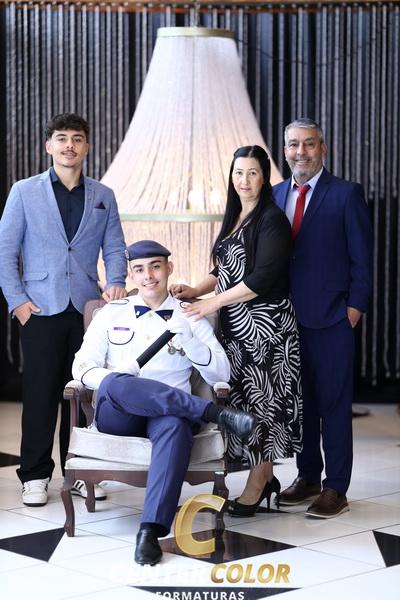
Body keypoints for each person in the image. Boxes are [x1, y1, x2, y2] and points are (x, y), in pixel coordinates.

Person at [72, 239, 256, 565]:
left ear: (169, 268)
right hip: (119, 414)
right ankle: (212, 412)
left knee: (175, 426)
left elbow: (221, 374)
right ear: (131, 274)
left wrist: (189, 341)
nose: (148, 276)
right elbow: (82, 367)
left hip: (169, 415)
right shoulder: (111, 313)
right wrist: (116, 380)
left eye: (155, 267)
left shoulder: (192, 316)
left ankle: (149, 530)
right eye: (140, 269)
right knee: (115, 382)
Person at [0, 113, 127, 507]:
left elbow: (115, 247)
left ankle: (80, 471)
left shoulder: (103, 195)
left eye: (76, 138)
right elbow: (5, 251)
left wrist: (116, 282)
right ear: (49, 145)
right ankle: (35, 476)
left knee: (84, 397)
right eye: (61, 138)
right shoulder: (24, 192)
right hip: (39, 310)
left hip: (88, 312)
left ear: (86, 146)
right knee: (40, 396)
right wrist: (18, 303)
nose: (69, 145)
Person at [170, 145, 302, 517]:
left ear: (265, 178)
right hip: (238, 330)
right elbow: (224, 267)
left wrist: (211, 303)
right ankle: (264, 478)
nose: (244, 180)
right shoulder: (236, 215)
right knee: (245, 404)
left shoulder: (272, 220)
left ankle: (258, 484)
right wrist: (195, 289)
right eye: (238, 173)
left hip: (267, 330)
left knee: (264, 406)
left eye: (253, 173)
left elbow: (261, 279)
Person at [273, 118, 373, 518]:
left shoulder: (346, 194)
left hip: (332, 318)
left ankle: (336, 487)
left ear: (323, 149)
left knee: (333, 405)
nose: (301, 152)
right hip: (284, 321)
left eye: (309, 144)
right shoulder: (274, 194)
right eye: (294, 144)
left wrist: (354, 308)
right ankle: (309, 477)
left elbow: (362, 258)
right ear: (285, 150)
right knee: (303, 405)